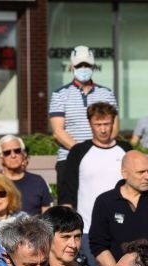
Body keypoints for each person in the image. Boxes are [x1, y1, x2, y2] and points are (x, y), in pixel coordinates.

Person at [58, 102, 132, 266]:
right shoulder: (79, 151)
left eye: (107, 124)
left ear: (113, 123)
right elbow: (67, 191)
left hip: (122, 226)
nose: (103, 129)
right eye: (98, 124)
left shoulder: (125, 149)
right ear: (90, 124)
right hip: (87, 230)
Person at [89, 151, 148, 266]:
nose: (147, 176)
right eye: (141, 172)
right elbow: (99, 246)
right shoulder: (105, 202)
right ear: (124, 173)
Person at [49, 45, 118, 182]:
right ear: (72, 67)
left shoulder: (107, 93)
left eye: (87, 65)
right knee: (69, 202)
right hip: (69, 159)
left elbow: (114, 128)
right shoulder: (59, 94)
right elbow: (58, 131)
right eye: (79, 65)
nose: (84, 68)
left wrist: (97, 150)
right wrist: (82, 151)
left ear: (93, 67)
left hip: (102, 157)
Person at [0, 135, 53, 215]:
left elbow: (47, 214)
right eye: (7, 152)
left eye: (17, 151)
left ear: (24, 154)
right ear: (1, 158)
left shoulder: (38, 182)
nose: (13, 155)